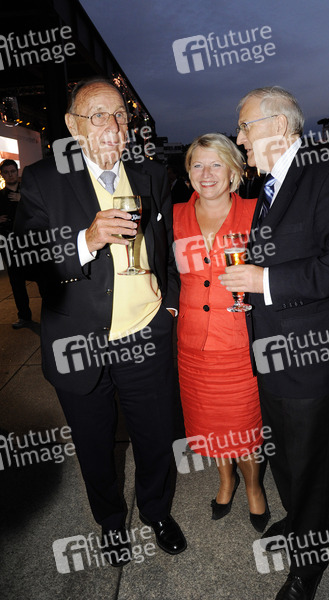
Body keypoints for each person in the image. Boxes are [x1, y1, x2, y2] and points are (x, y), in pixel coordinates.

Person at [14, 77, 187, 566]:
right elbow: (24, 258)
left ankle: (156, 511)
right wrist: (85, 242)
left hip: (146, 333)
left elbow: (168, 249)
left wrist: (170, 306)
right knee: (93, 446)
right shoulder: (45, 178)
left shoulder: (152, 174)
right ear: (73, 126)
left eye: (120, 115)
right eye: (98, 116)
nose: (113, 126)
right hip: (78, 343)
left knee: (156, 437)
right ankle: (110, 523)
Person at [220, 86, 329, 600]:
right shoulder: (270, 185)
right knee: (285, 456)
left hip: (312, 354)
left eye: (245, 126)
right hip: (271, 351)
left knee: (312, 463)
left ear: (280, 126)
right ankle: (299, 519)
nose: (240, 138)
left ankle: (309, 564)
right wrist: (255, 287)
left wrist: (263, 281)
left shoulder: (326, 174)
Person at [173, 133, 270, 532]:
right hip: (192, 343)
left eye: (216, 164)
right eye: (197, 164)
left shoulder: (257, 212)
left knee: (244, 425)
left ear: (234, 171)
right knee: (210, 425)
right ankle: (225, 481)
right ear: (188, 173)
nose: (207, 173)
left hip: (239, 342)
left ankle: (254, 487)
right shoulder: (174, 214)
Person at [0, 159, 33, 329]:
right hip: (9, 244)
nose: (10, 175)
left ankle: (53, 313)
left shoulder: (29, 191)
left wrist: (23, 199)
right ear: (2, 175)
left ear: (17, 171)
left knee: (42, 277)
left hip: (32, 242)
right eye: (6, 172)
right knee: (16, 282)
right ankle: (24, 316)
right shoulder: (0, 196)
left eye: (12, 171)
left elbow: (42, 209)